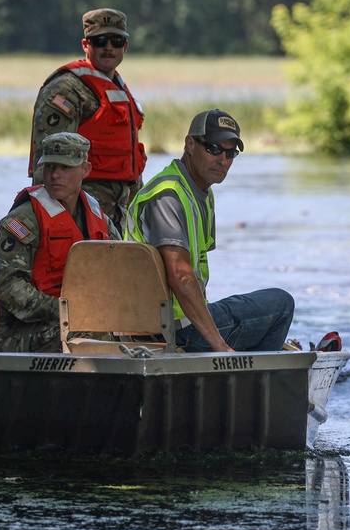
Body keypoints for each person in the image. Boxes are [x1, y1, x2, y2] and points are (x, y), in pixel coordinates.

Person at [126, 109, 294, 353]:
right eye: (214, 149)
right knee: (281, 304)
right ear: (190, 144)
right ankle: (257, 383)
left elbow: (197, 273)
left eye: (230, 153)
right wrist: (219, 345)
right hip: (172, 330)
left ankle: (240, 375)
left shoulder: (201, 191)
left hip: (177, 322)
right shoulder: (169, 195)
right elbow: (181, 276)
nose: (223, 160)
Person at [0, 132, 121, 352]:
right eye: (50, 167)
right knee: (91, 334)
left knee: (129, 330)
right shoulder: (23, 221)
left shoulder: (97, 215)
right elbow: (8, 288)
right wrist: (66, 310)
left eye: (65, 168)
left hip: (81, 320)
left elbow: (120, 266)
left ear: (85, 170)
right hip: (22, 332)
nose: (55, 176)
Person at [28, 7, 147, 231]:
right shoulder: (65, 90)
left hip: (118, 219)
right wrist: (54, 228)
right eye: (100, 40)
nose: (108, 47)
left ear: (125, 46)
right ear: (86, 45)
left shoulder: (119, 89)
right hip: (80, 218)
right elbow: (48, 166)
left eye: (116, 41)